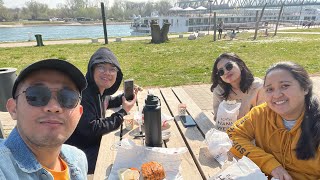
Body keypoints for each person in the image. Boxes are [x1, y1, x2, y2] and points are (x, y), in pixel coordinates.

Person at [227, 62, 320, 179]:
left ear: (305, 88)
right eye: (269, 89)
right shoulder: (260, 113)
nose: (276, 95)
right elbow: (231, 136)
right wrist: (270, 164)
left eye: (285, 86)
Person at [0, 59, 88, 179]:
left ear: (79, 113)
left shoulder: (78, 158)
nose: (54, 107)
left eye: (68, 97)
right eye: (36, 95)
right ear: (13, 109)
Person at [66, 47, 137, 174]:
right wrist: (122, 112)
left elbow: (108, 101)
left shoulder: (99, 89)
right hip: (79, 153)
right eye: (101, 67)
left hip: (91, 143)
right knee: (121, 162)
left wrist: (125, 96)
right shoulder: (83, 94)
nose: (107, 73)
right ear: (92, 69)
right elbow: (92, 128)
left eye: (112, 69)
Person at [211, 53, 265, 126]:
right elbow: (218, 118)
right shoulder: (219, 91)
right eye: (221, 71)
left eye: (229, 66)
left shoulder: (258, 87)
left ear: (240, 65)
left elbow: (262, 118)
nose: (226, 72)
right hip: (229, 133)